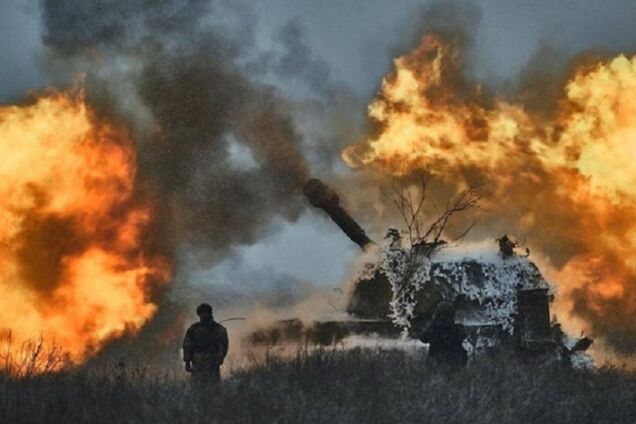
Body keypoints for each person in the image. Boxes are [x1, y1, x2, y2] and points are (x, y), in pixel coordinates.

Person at [182, 303, 229, 384]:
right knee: (197, 388)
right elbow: (187, 345)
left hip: (212, 363)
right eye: (201, 314)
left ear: (209, 313)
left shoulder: (219, 329)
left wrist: (220, 358)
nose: (203, 316)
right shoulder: (194, 329)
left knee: (213, 388)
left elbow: (223, 345)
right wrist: (187, 362)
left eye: (205, 313)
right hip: (197, 363)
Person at [419, 301, 467, 371]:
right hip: (455, 361)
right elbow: (464, 335)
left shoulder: (433, 328)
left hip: (436, 361)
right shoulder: (457, 328)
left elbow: (423, 338)